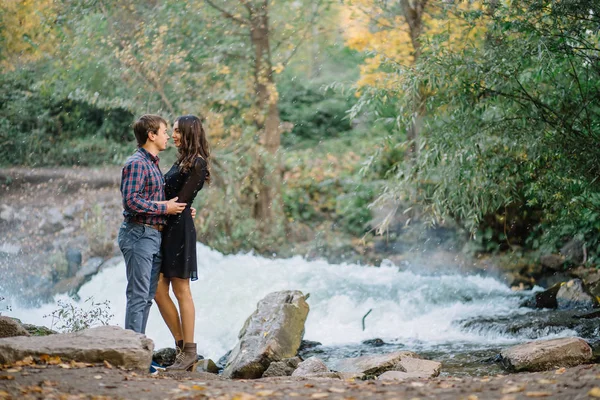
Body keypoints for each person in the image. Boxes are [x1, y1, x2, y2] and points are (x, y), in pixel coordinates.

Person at [118, 114, 187, 336]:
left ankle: (138, 350)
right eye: (164, 132)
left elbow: (155, 200)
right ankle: (132, 352)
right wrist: (164, 208)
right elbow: (131, 202)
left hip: (152, 236)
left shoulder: (152, 163)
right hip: (139, 234)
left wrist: (180, 211)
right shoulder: (137, 163)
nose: (168, 136)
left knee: (146, 297)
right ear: (151, 135)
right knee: (138, 296)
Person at [154, 115, 210, 371]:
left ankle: (189, 352)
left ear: (188, 132)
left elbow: (181, 200)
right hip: (169, 226)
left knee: (181, 290)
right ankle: (181, 347)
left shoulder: (198, 162)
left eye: (176, 131)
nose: (173, 135)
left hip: (178, 230)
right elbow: (177, 200)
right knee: (157, 289)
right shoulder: (183, 160)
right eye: (172, 131)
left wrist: (184, 210)